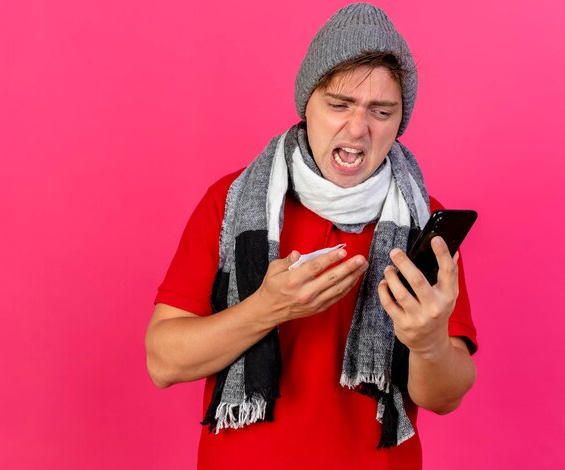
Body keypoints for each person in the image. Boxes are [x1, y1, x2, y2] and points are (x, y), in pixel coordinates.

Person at [146, 3, 477, 469]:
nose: (357, 129)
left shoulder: (424, 220)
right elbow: (163, 362)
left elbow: (444, 397)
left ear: (400, 120)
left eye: (381, 111)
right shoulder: (231, 202)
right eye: (339, 105)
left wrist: (427, 342)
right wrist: (266, 308)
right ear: (308, 105)